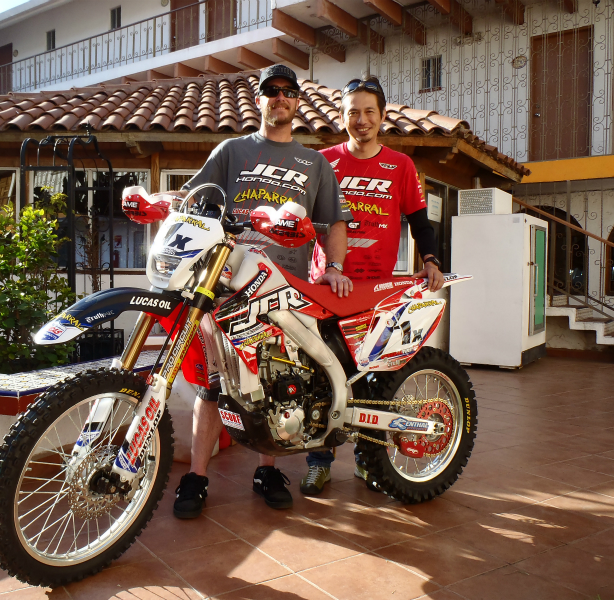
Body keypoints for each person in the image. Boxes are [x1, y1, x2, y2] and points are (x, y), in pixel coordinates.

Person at [172, 65, 354, 518]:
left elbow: (335, 222)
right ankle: (196, 477)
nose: (280, 97)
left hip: (285, 290)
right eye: (271, 90)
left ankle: (267, 471)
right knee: (215, 387)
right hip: (224, 285)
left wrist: (334, 267)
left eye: (288, 91)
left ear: (297, 102)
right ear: (259, 100)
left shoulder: (315, 163)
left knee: (274, 383)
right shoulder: (231, 150)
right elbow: (193, 202)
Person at [300, 76, 444, 496]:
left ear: (382, 116)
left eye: (368, 112)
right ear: (341, 117)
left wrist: (431, 260)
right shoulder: (323, 161)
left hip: (378, 292)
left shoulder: (401, 166)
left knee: (375, 379)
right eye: (352, 113)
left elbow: (420, 221)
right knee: (321, 376)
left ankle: (368, 461)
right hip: (327, 288)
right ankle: (319, 463)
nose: (360, 120)